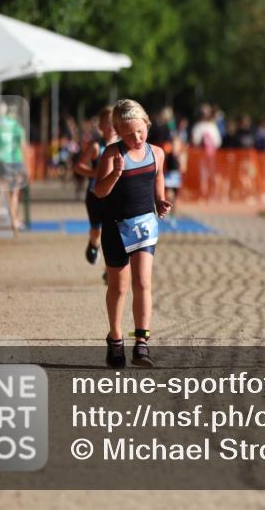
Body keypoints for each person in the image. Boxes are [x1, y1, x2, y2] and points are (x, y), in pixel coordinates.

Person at [94, 99, 172, 368]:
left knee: (142, 282)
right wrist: (115, 174)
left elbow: (157, 177)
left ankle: (141, 343)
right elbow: (100, 191)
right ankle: (115, 339)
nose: (136, 138)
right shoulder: (111, 154)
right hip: (116, 227)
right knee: (119, 287)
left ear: (147, 125)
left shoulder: (157, 153)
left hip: (145, 225)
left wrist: (160, 200)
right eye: (128, 134)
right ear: (118, 132)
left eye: (140, 131)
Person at [73, 106, 118, 265]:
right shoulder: (96, 146)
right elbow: (78, 167)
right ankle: (93, 244)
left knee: (114, 233)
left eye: (114, 122)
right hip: (95, 195)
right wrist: (94, 173)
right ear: (101, 126)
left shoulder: (122, 145)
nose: (111, 126)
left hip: (115, 195)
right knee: (97, 231)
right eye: (107, 123)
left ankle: (110, 268)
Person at [0, 101, 28, 232]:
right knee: (14, 193)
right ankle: (14, 220)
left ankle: (8, 220)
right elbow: (22, 145)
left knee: (3, 192)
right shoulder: (16, 126)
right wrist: (26, 166)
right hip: (14, 161)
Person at [191, 104, 222, 201]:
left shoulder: (212, 126)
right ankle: (203, 194)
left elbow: (217, 142)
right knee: (203, 174)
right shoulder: (198, 126)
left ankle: (211, 194)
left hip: (211, 155)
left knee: (212, 174)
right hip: (201, 155)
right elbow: (195, 141)